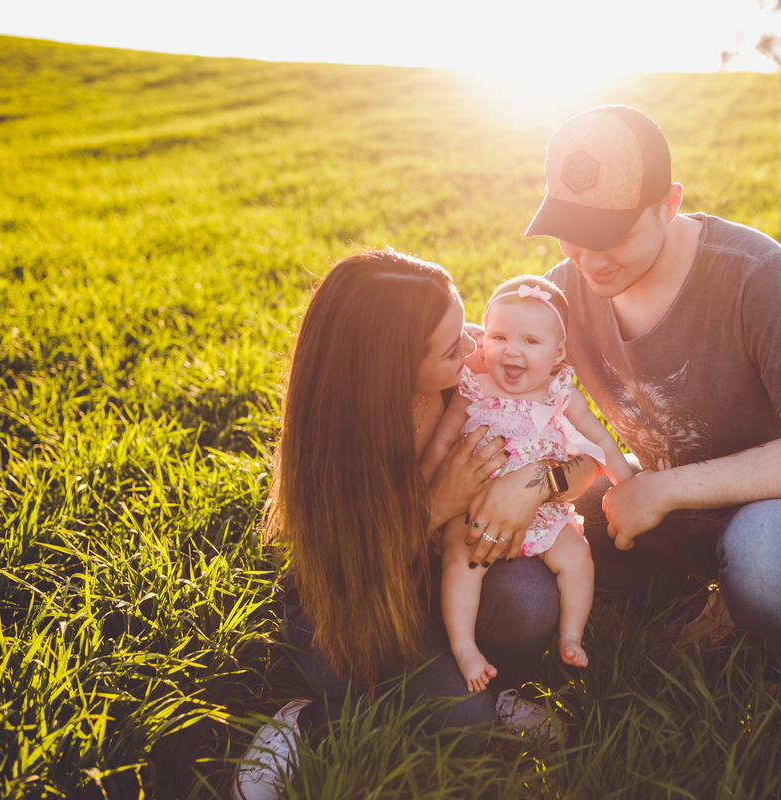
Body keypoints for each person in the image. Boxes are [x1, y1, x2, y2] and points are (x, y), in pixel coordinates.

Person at [519, 104, 781, 663]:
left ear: (670, 204)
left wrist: (662, 490)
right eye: (571, 233)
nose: (589, 260)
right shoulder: (563, 295)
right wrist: (528, 488)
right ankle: (692, 590)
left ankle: (776, 661)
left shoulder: (754, 273)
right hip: (668, 500)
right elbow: (497, 389)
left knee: (766, 557)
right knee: (543, 516)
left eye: (611, 234)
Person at [233, 251, 587, 800]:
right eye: (453, 347)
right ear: (393, 364)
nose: (474, 346)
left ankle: (477, 673)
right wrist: (434, 504)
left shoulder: (480, 361)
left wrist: (541, 481)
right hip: (357, 593)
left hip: (448, 565)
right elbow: (351, 566)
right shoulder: (337, 436)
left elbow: (592, 459)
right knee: (457, 721)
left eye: (467, 330)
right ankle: (307, 724)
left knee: (530, 601)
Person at [420, 276, 633, 691]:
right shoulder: (473, 388)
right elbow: (442, 442)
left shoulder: (560, 394)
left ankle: (572, 635)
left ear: (558, 353)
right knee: (459, 563)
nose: (511, 350)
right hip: (473, 511)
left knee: (578, 557)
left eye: (531, 342)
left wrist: (627, 486)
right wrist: (425, 491)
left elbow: (600, 441)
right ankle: (464, 647)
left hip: (543, 510)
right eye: (499, 336)